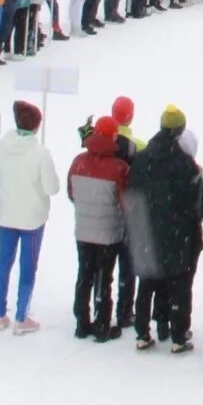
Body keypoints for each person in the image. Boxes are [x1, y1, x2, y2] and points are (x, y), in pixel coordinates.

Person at [126, 105, 203, 352]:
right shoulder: (186, 165)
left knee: (146, 283)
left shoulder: (142, 158)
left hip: (146, 231)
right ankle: (178, 335)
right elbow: (197, 205)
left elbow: (132, 193)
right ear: (180, 130)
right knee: (179, 287)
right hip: (177, 234)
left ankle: (142, 332)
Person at [0, 100, 61, 334]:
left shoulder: (1, 147)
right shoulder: (40, 154)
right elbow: (51, 188)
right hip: (32, 218)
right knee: (27, 266)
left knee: (3, 262)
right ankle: (22, 315)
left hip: (6, 214)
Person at [67, 115, 129, 341]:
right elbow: (125, 202)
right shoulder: (119, 167)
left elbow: (71, 193)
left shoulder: (78, 162)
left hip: (83, 230)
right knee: (104, 278)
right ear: (114, 136)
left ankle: (81, 322)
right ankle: (102, 323)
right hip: (108, 233)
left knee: (84, 275)